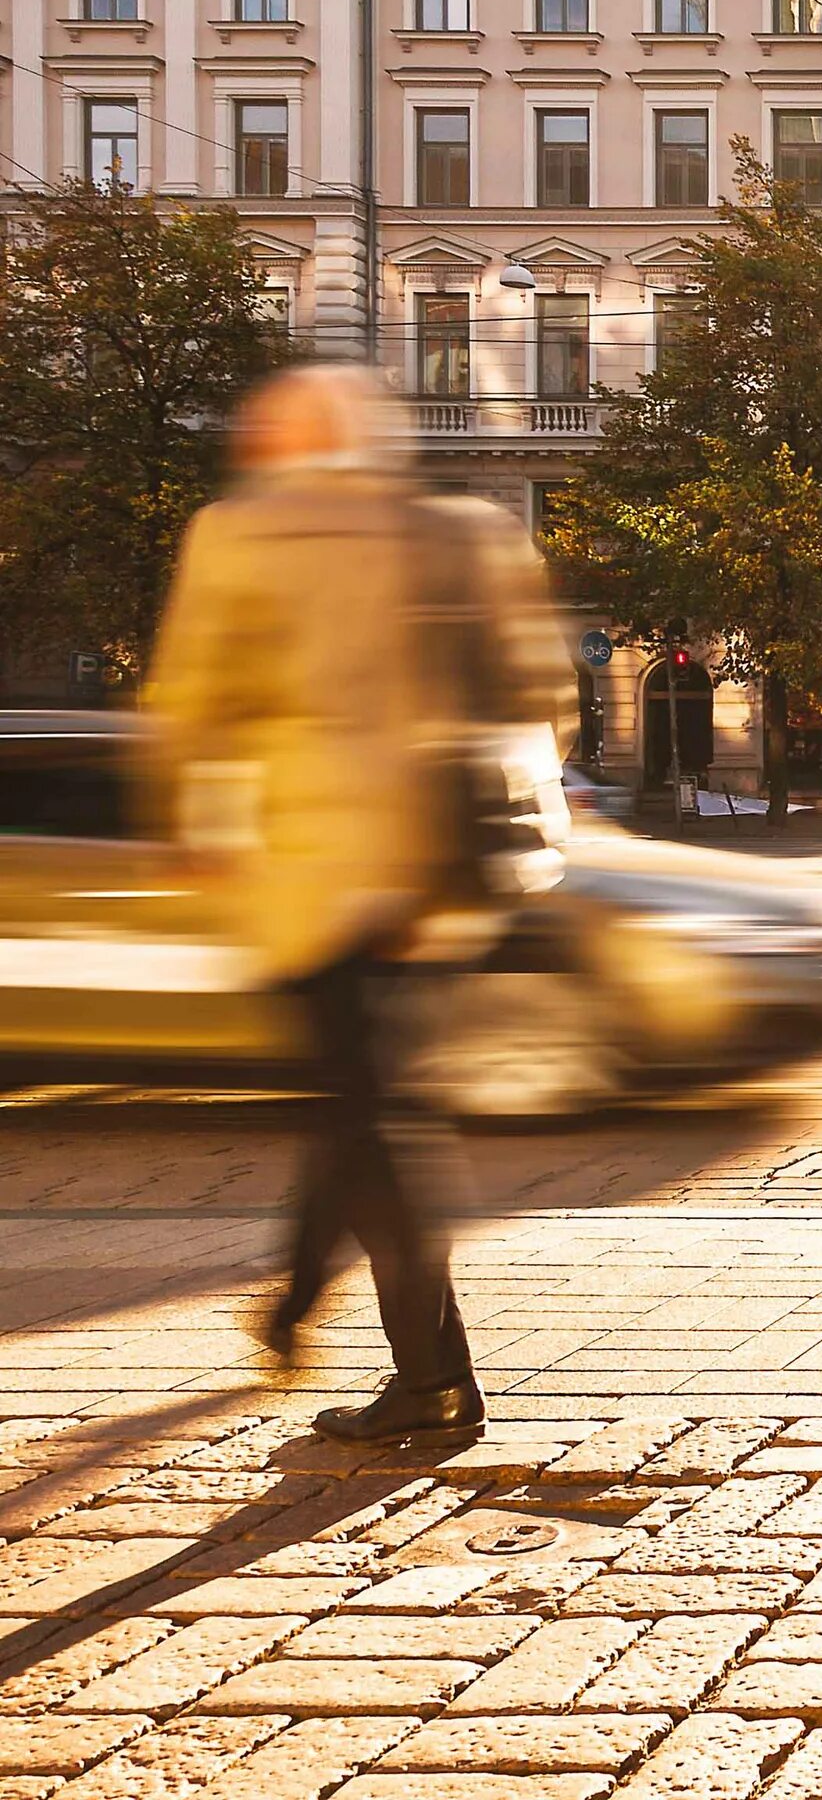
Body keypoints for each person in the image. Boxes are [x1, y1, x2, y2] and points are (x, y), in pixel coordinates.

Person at [149, 365, 573, 1442]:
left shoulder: (240, 537)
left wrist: (193, 831)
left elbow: (191, 707)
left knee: (369, 1118)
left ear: (279, 444)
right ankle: (428, 1374)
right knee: (380, 1113)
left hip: (316, 872)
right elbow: (544, 698)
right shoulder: (469, 531)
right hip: (442, 872)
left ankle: (342, 1326)